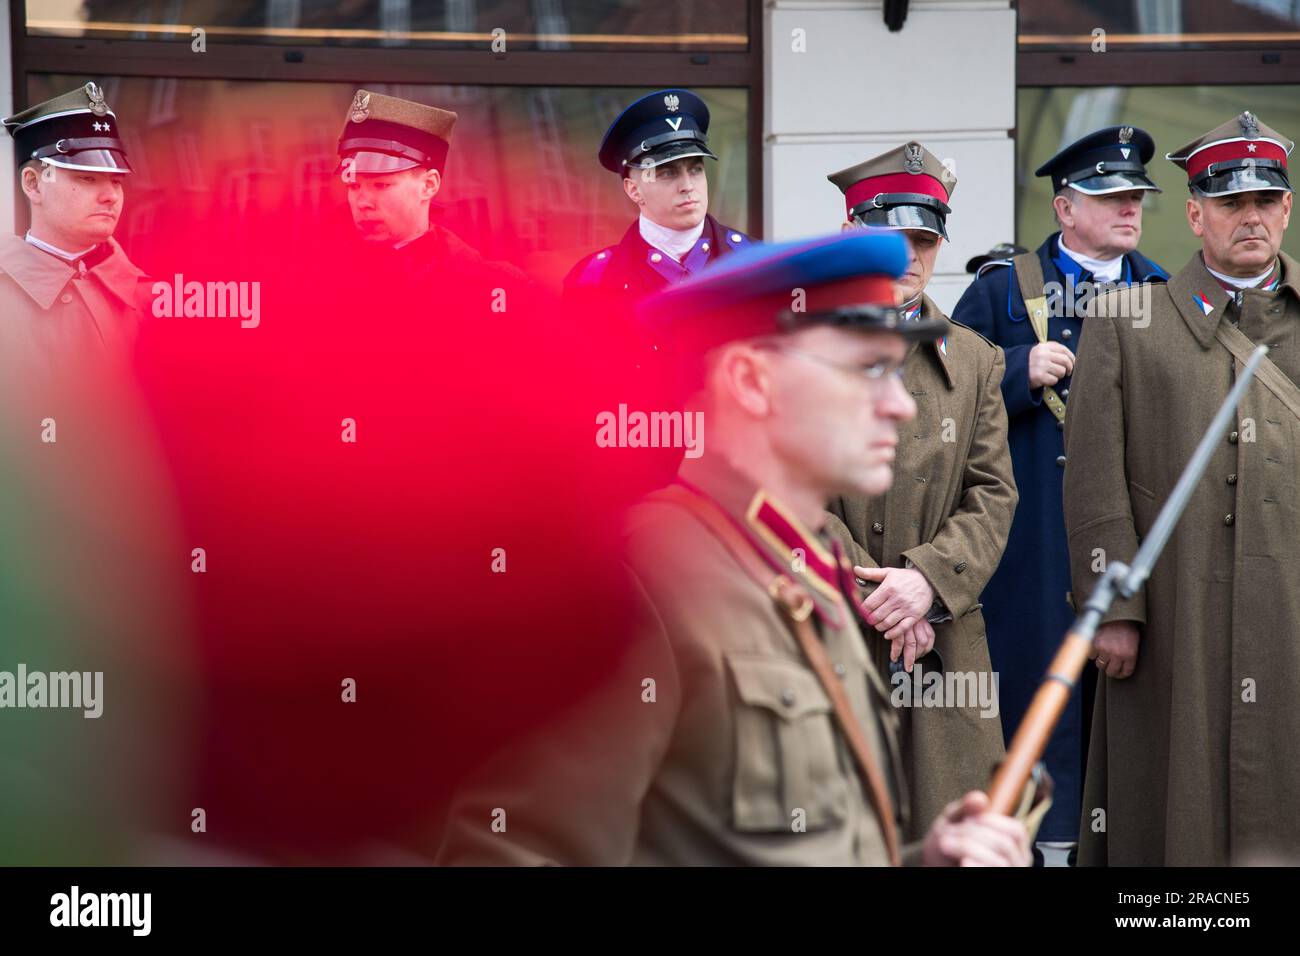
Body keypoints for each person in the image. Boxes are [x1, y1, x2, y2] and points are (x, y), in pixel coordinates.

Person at [436, 231, 1030, 866]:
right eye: (867, 369)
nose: (897, 405)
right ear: (750, 381)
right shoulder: (642, 578)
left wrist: (922, 861)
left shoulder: (810, 565)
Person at [1064, 112, 1300, 865]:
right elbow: (1097, 481)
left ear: (1288, 208)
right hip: (1173, 619)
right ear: (1196, 212)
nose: (1251, 217)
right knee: (1168, 815)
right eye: (1231, 203)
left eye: (1266, 200)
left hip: (1292, 612)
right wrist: (1115, 610)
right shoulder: (1127, 320)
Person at [951, 126, 1168, 861]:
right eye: (1111, 197)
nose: (1129, 209)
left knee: (1132, 715)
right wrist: (1015, 369)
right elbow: (939, 400)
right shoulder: (1002, 289)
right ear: (1064, 207)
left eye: (1136, 196)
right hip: (1030, 553)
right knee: (1033, 710)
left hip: (1132, 549)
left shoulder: (1162, 295)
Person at [823, 143, 1016, 842]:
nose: (910, 254)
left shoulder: (975, 359)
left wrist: (926, 584)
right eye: (891, 236)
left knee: (952, 832)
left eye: (926, 238)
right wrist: (879, 594)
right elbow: (779, 496)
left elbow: (993, 494)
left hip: (941, 648)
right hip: (826, 634)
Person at [0, 82, 151, 383]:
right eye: (87, 178)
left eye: (117, 181)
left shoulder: (150, 299)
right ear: (33, 184)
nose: (110, 196)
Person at [563, 88, 753, 305]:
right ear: (634, 190)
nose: (687, 186)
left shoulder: (758, 263)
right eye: (668, 173)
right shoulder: (593, 281)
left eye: (695, 170)